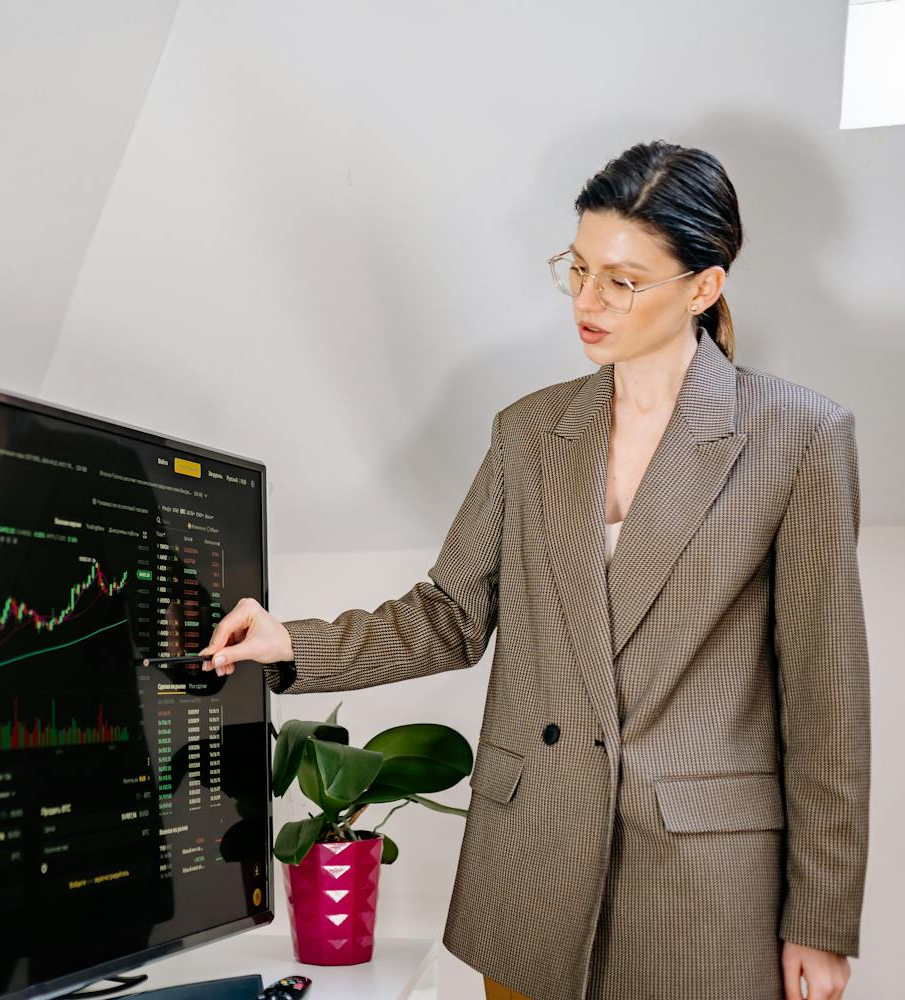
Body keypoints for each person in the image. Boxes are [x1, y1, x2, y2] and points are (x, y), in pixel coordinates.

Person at [196, 141, 869, 1000]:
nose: (587, 302)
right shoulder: (529, 431)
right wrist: (293, 642)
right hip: (533, 872)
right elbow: (450, 612)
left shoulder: (801, 436)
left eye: (622, 281)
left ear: (704, 286)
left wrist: (819, 918)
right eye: (577, 268)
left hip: (703, 888)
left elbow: (826, 696)